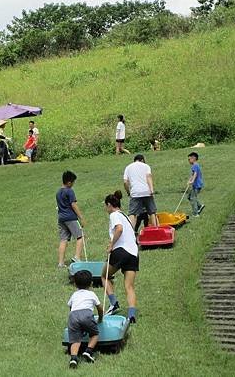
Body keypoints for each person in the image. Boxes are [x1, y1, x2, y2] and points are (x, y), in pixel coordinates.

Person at [101, 190, 139, 323]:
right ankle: (132, 315)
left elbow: (119, 229)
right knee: (129, 286)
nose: (106, 209)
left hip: (121, 251)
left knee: (104, 276)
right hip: (134, 253)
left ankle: (114, 303)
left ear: (110, 205)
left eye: (106, 206)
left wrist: (111, 244)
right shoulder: (125, 216)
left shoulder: (114, 215)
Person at [67, 270, 104, 368]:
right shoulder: (91, 294)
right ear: (91, 283)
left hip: (73, 316)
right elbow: (100, 308)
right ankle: (88, 351)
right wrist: (100, 318)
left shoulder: (74, 295)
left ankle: (73, 358)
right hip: (86, 314)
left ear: (75, 284)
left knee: (75, 340)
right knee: (95, 334)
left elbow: (71, 307)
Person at [56, 170, 86, 268]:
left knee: (63, 239)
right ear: (69, 182)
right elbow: (73, 205)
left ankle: (60, 263)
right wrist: (81, 217)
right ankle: (77, 257)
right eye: (73, 182)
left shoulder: (58, 192)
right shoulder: (69, 191)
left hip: (61, 218)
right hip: (71, 218)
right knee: (80, 236)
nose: (73, 184)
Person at [123, 154, 157, 229]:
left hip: (135, 193)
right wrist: (151, 189)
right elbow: (149, 177)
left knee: (132, 214)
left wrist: (128, 192)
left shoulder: (128, 167)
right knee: (152, 212)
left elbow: (125, 182)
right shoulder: (146, 166)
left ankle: (131, 233)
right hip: (146, 192)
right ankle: (155, 230)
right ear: (142, 160)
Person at [187, 152, 205, 217]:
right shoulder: (195, 165)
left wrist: (192, 181)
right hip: (195, 185)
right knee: (189, 197)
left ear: (194, 158)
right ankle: (200, 206)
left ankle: (195, 213)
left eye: (189, 159)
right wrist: (190, 180)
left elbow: (195, 174)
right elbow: (192, 174)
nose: (188, 161)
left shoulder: (195, 165)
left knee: (192, 198)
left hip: (197, 185)